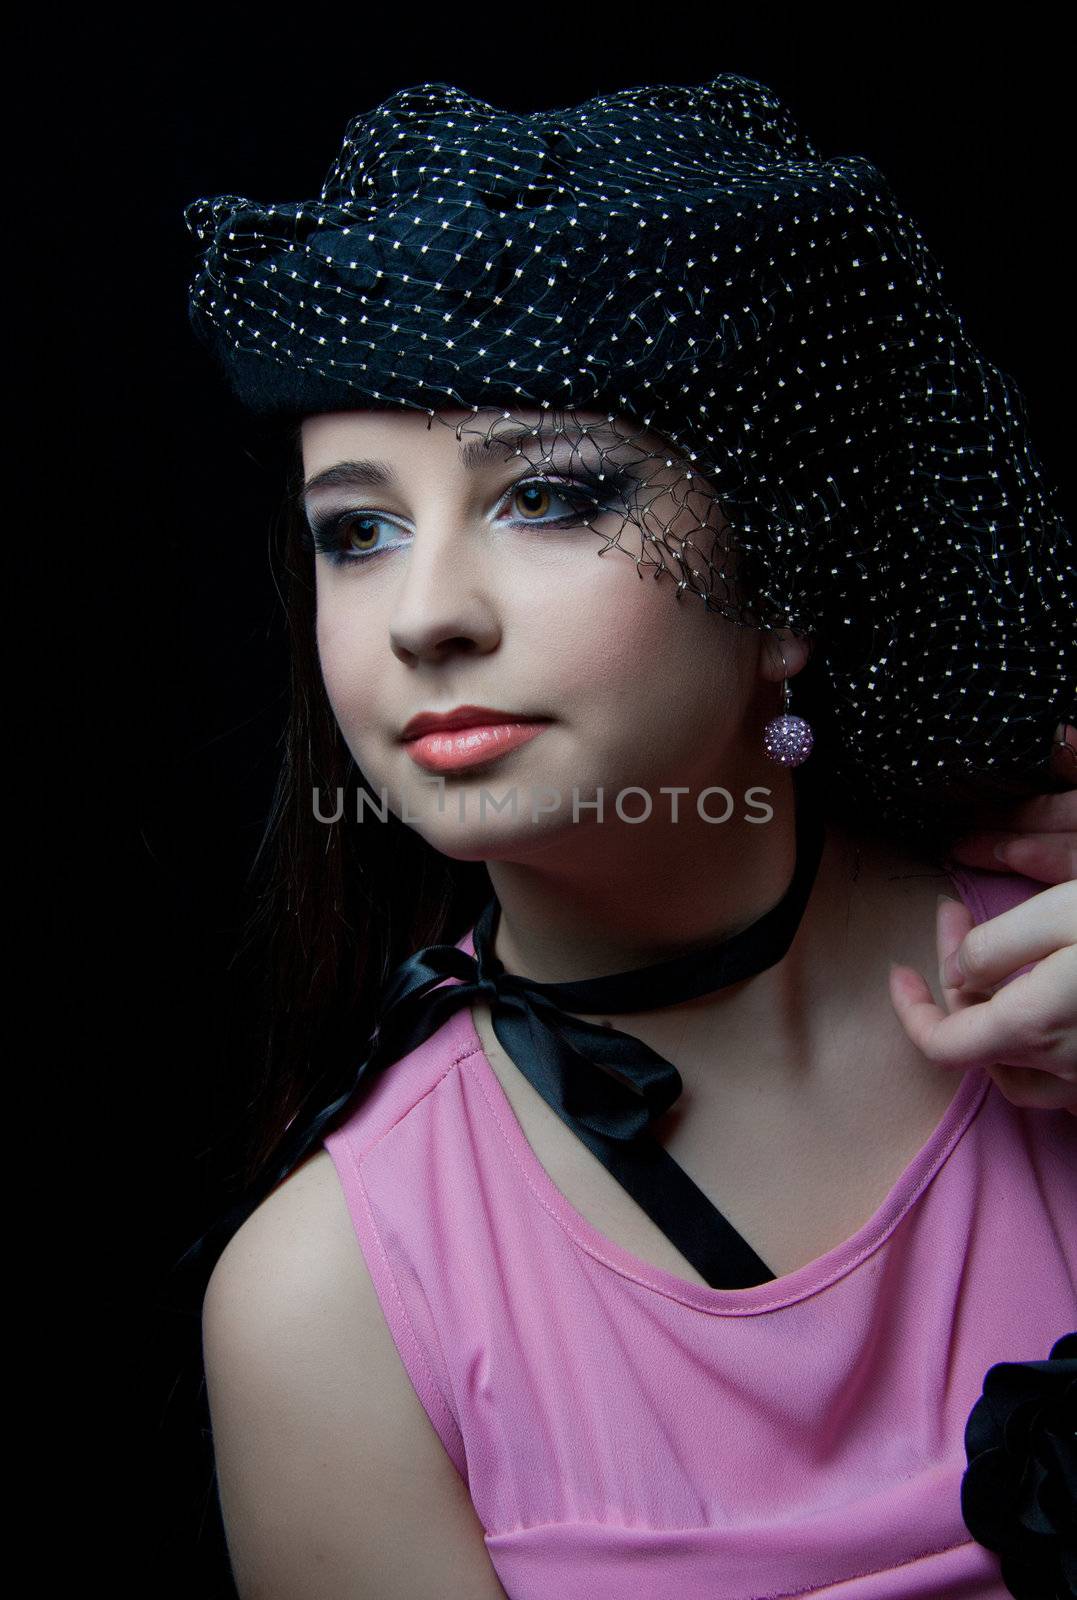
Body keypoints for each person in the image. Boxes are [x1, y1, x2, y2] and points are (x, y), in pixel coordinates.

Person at [180, 77, 1076, 1600]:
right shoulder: (323, 1301)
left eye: (546, 496)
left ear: (786, 580)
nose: (427, 617)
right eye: (358, 529)